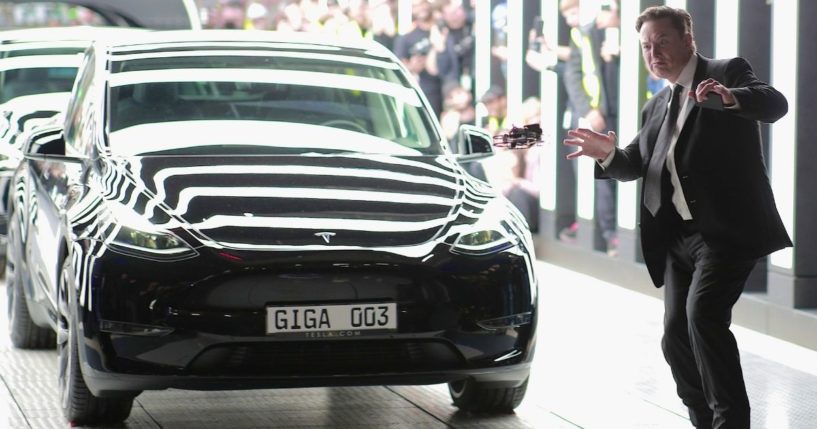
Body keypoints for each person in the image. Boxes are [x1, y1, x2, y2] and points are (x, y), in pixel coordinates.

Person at [563, 6, 790, 429]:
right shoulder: (657, 106)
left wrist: (731, 98)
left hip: (725, 233)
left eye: (662, 42)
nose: (654, 52)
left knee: (703, 317)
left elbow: (775, 104)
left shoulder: (726, 72)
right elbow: (635, 163)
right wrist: (607, 154)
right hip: (678, 240)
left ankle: (731, 422)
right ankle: (702, 419)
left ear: (688, 39)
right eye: (647, 46)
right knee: (674, 337)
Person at [562, 0, 619, 255]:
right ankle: (609, 234)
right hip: (597, 116)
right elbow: (573, 74)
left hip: (621, 114)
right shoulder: (584, 35)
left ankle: (614, 233)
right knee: (600, 176)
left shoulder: (633, 33)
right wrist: (588, 110)